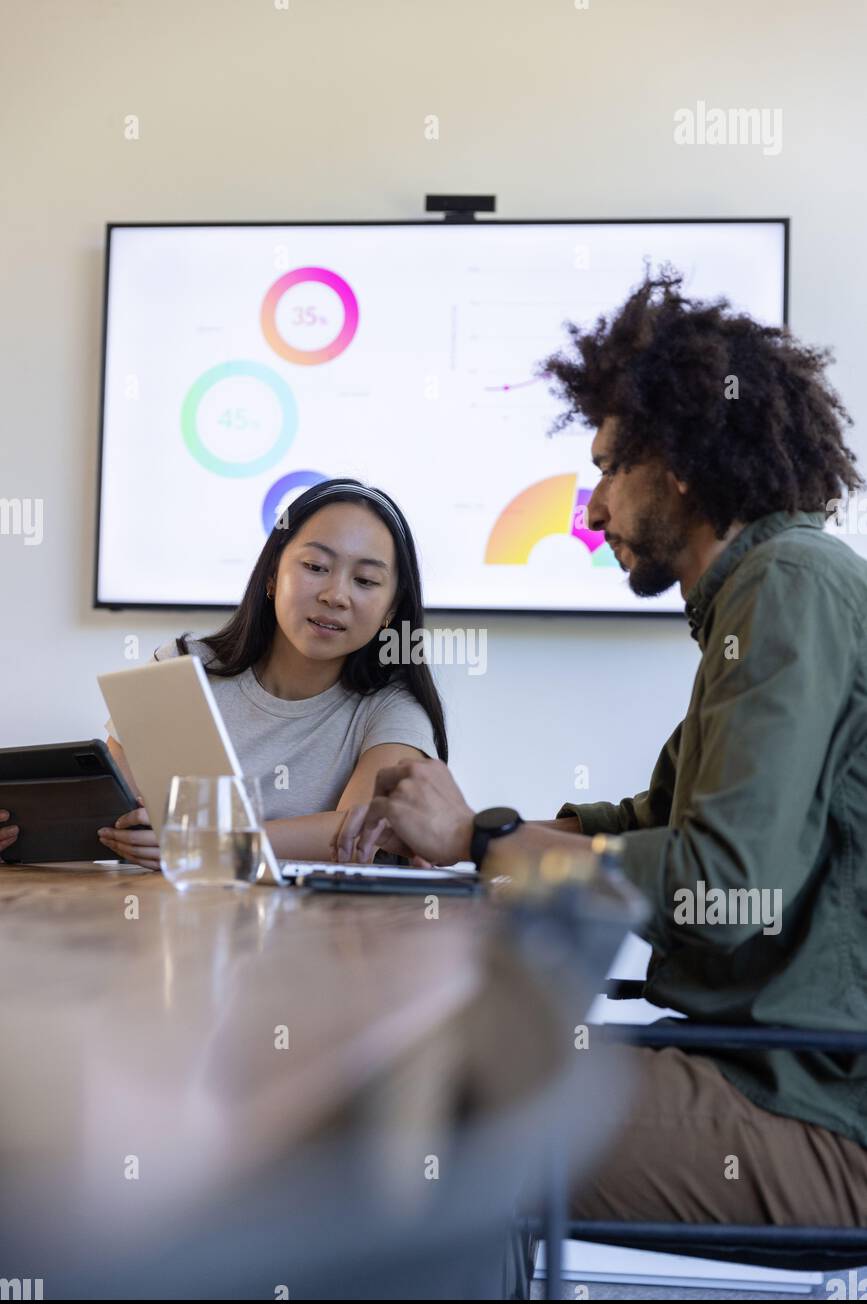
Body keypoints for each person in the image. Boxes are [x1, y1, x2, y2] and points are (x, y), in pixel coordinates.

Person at [334, 270, 867, 1226]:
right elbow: (651, 822)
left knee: (412, 1116)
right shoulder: (760, 596)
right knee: (431, 1071)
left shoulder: (786, 586)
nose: (590, 511)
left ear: (678, 465)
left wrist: (483, 842)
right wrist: (473, 829)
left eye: (606, 470)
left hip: (816, 1109)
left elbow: (724, 884)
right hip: (765, 1064)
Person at [0, 479, 446, 868]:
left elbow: (356, 833)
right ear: (272, 575)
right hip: (169, 932)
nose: (335, 595)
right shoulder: (183, 667)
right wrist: (21, 834)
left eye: (365, 581)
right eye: (315, 567)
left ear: (391, 607)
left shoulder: (394, 709)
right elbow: (117, 809)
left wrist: (209, 843)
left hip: (318, 943)